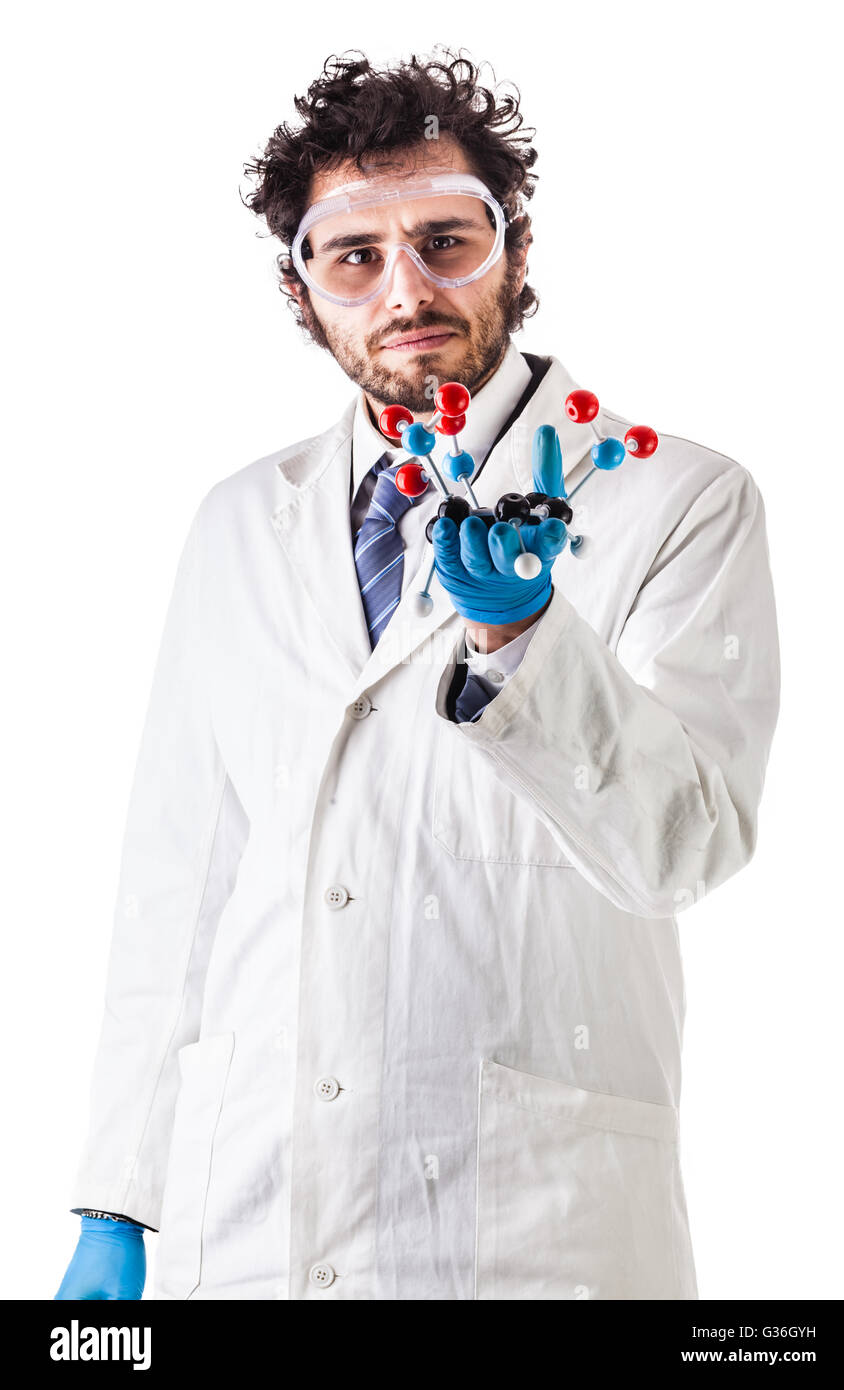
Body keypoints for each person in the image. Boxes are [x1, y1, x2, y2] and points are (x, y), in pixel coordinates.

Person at [55, 48, 780, 1302]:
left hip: (535, 1224)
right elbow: (178, 875)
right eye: (354, 255)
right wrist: (120, 1194)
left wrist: (525, 643)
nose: (406, 289)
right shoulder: (240, 519)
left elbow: (688, 846)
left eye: (446, 238)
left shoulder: (675, 496)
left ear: (513, 248)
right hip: (255, 1214)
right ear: (301, 289)